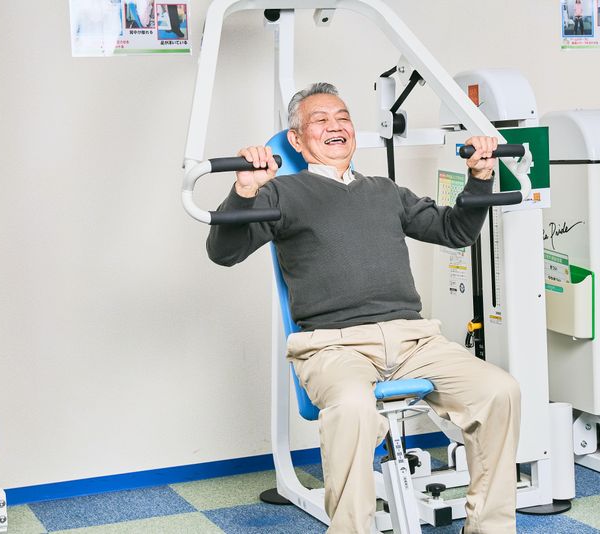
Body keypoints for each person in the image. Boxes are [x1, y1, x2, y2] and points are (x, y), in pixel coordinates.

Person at [207, 82, 520, 534]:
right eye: (320, 120)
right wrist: (244, 191)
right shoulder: (280, 193)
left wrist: (480, 177)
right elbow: (224, 252)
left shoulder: (385, 191)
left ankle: (490, 529)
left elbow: (455, 231)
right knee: (353, 407)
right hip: (333, 346)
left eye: (343, 118)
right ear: (296, 140)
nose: (335, 126)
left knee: (499, 391)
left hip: (415, 341)